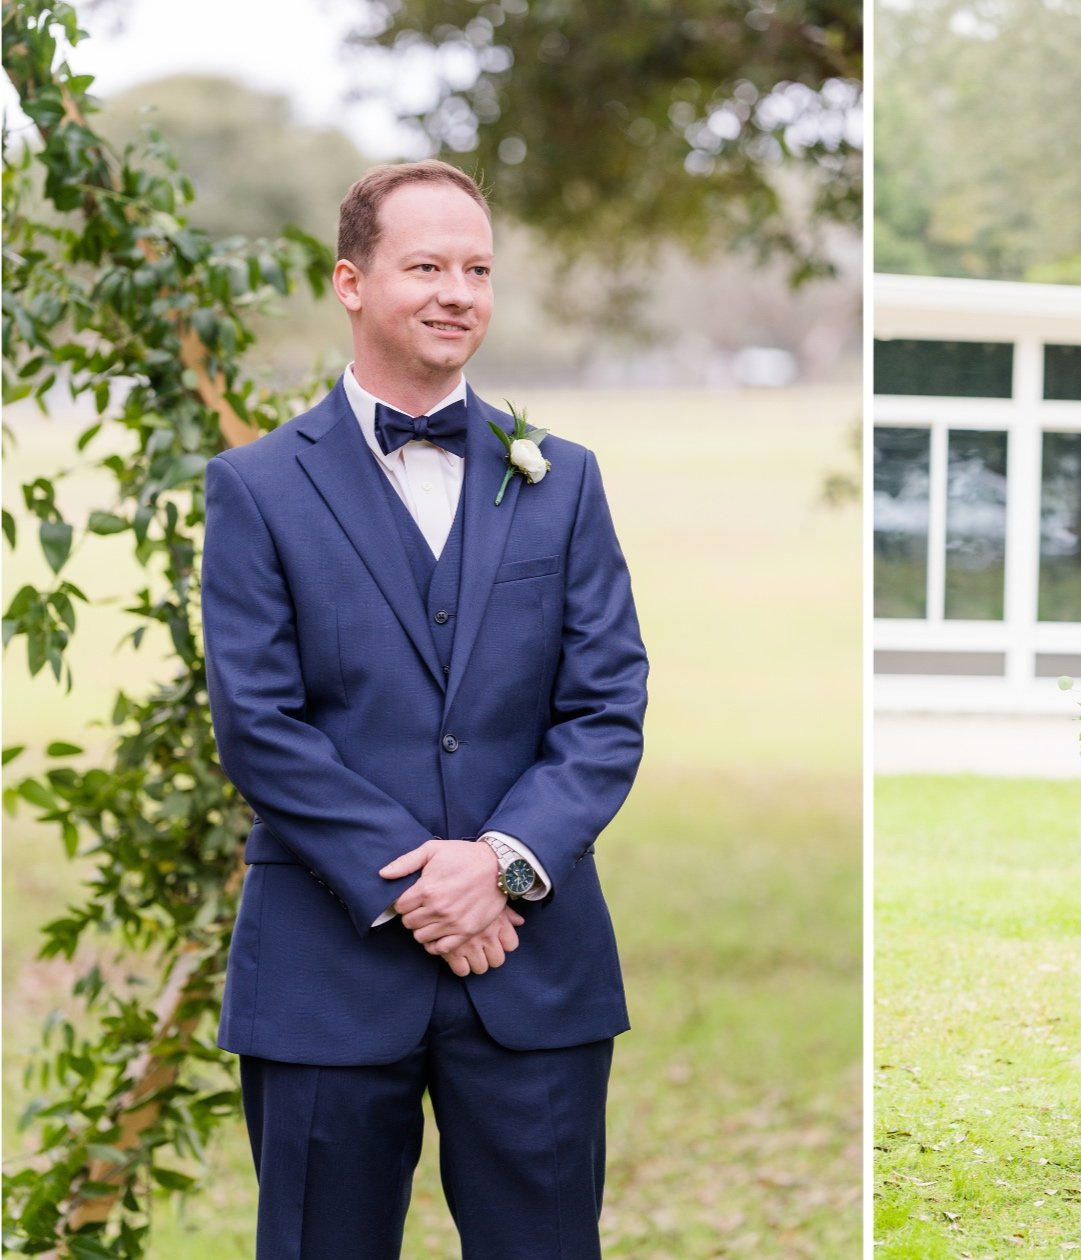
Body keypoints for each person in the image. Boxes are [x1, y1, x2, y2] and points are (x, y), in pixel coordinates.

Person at [201, 159, 648, 1259]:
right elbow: (259, 723)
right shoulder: (255, 487)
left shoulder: (564, 478)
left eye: (479, 268)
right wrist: (424, 884)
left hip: (533, 967)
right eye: (428, 266)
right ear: (351, 282)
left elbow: (606, 709)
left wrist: (496, 865)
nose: (459, 291)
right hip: (323, 972)